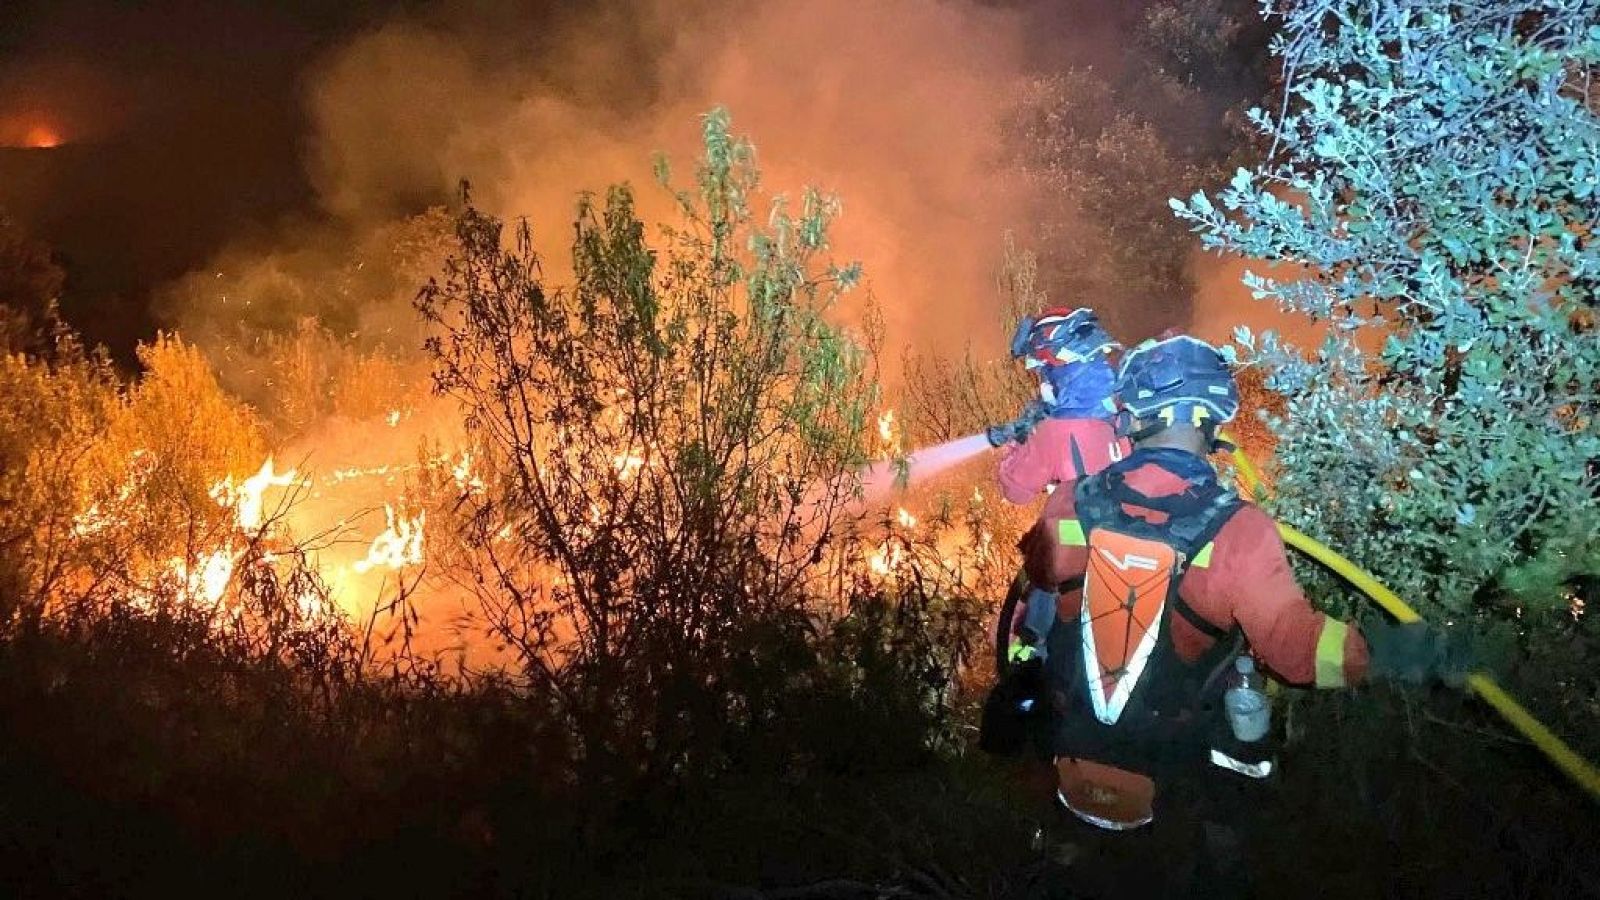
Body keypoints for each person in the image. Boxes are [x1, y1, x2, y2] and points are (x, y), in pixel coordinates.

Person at [1015, 334, 1461, 893]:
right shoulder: (1239, 530)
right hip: (1177, 784)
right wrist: (1409, 651)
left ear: (1133, 417)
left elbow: (1037, 585)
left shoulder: (1069, 501)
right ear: (1211, 420)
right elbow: (1298, 654)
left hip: (1069, 757)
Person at [988, 307, 1130, 665]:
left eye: (1041, 369)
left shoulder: (1055, 430)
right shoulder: (1127, 411)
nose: (1041, 380)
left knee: (1022, 638)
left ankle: (1034, 665)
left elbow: (1016, 490)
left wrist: (1018, 443)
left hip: (1072, 575)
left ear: (1058, 365)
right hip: (1133, 563)